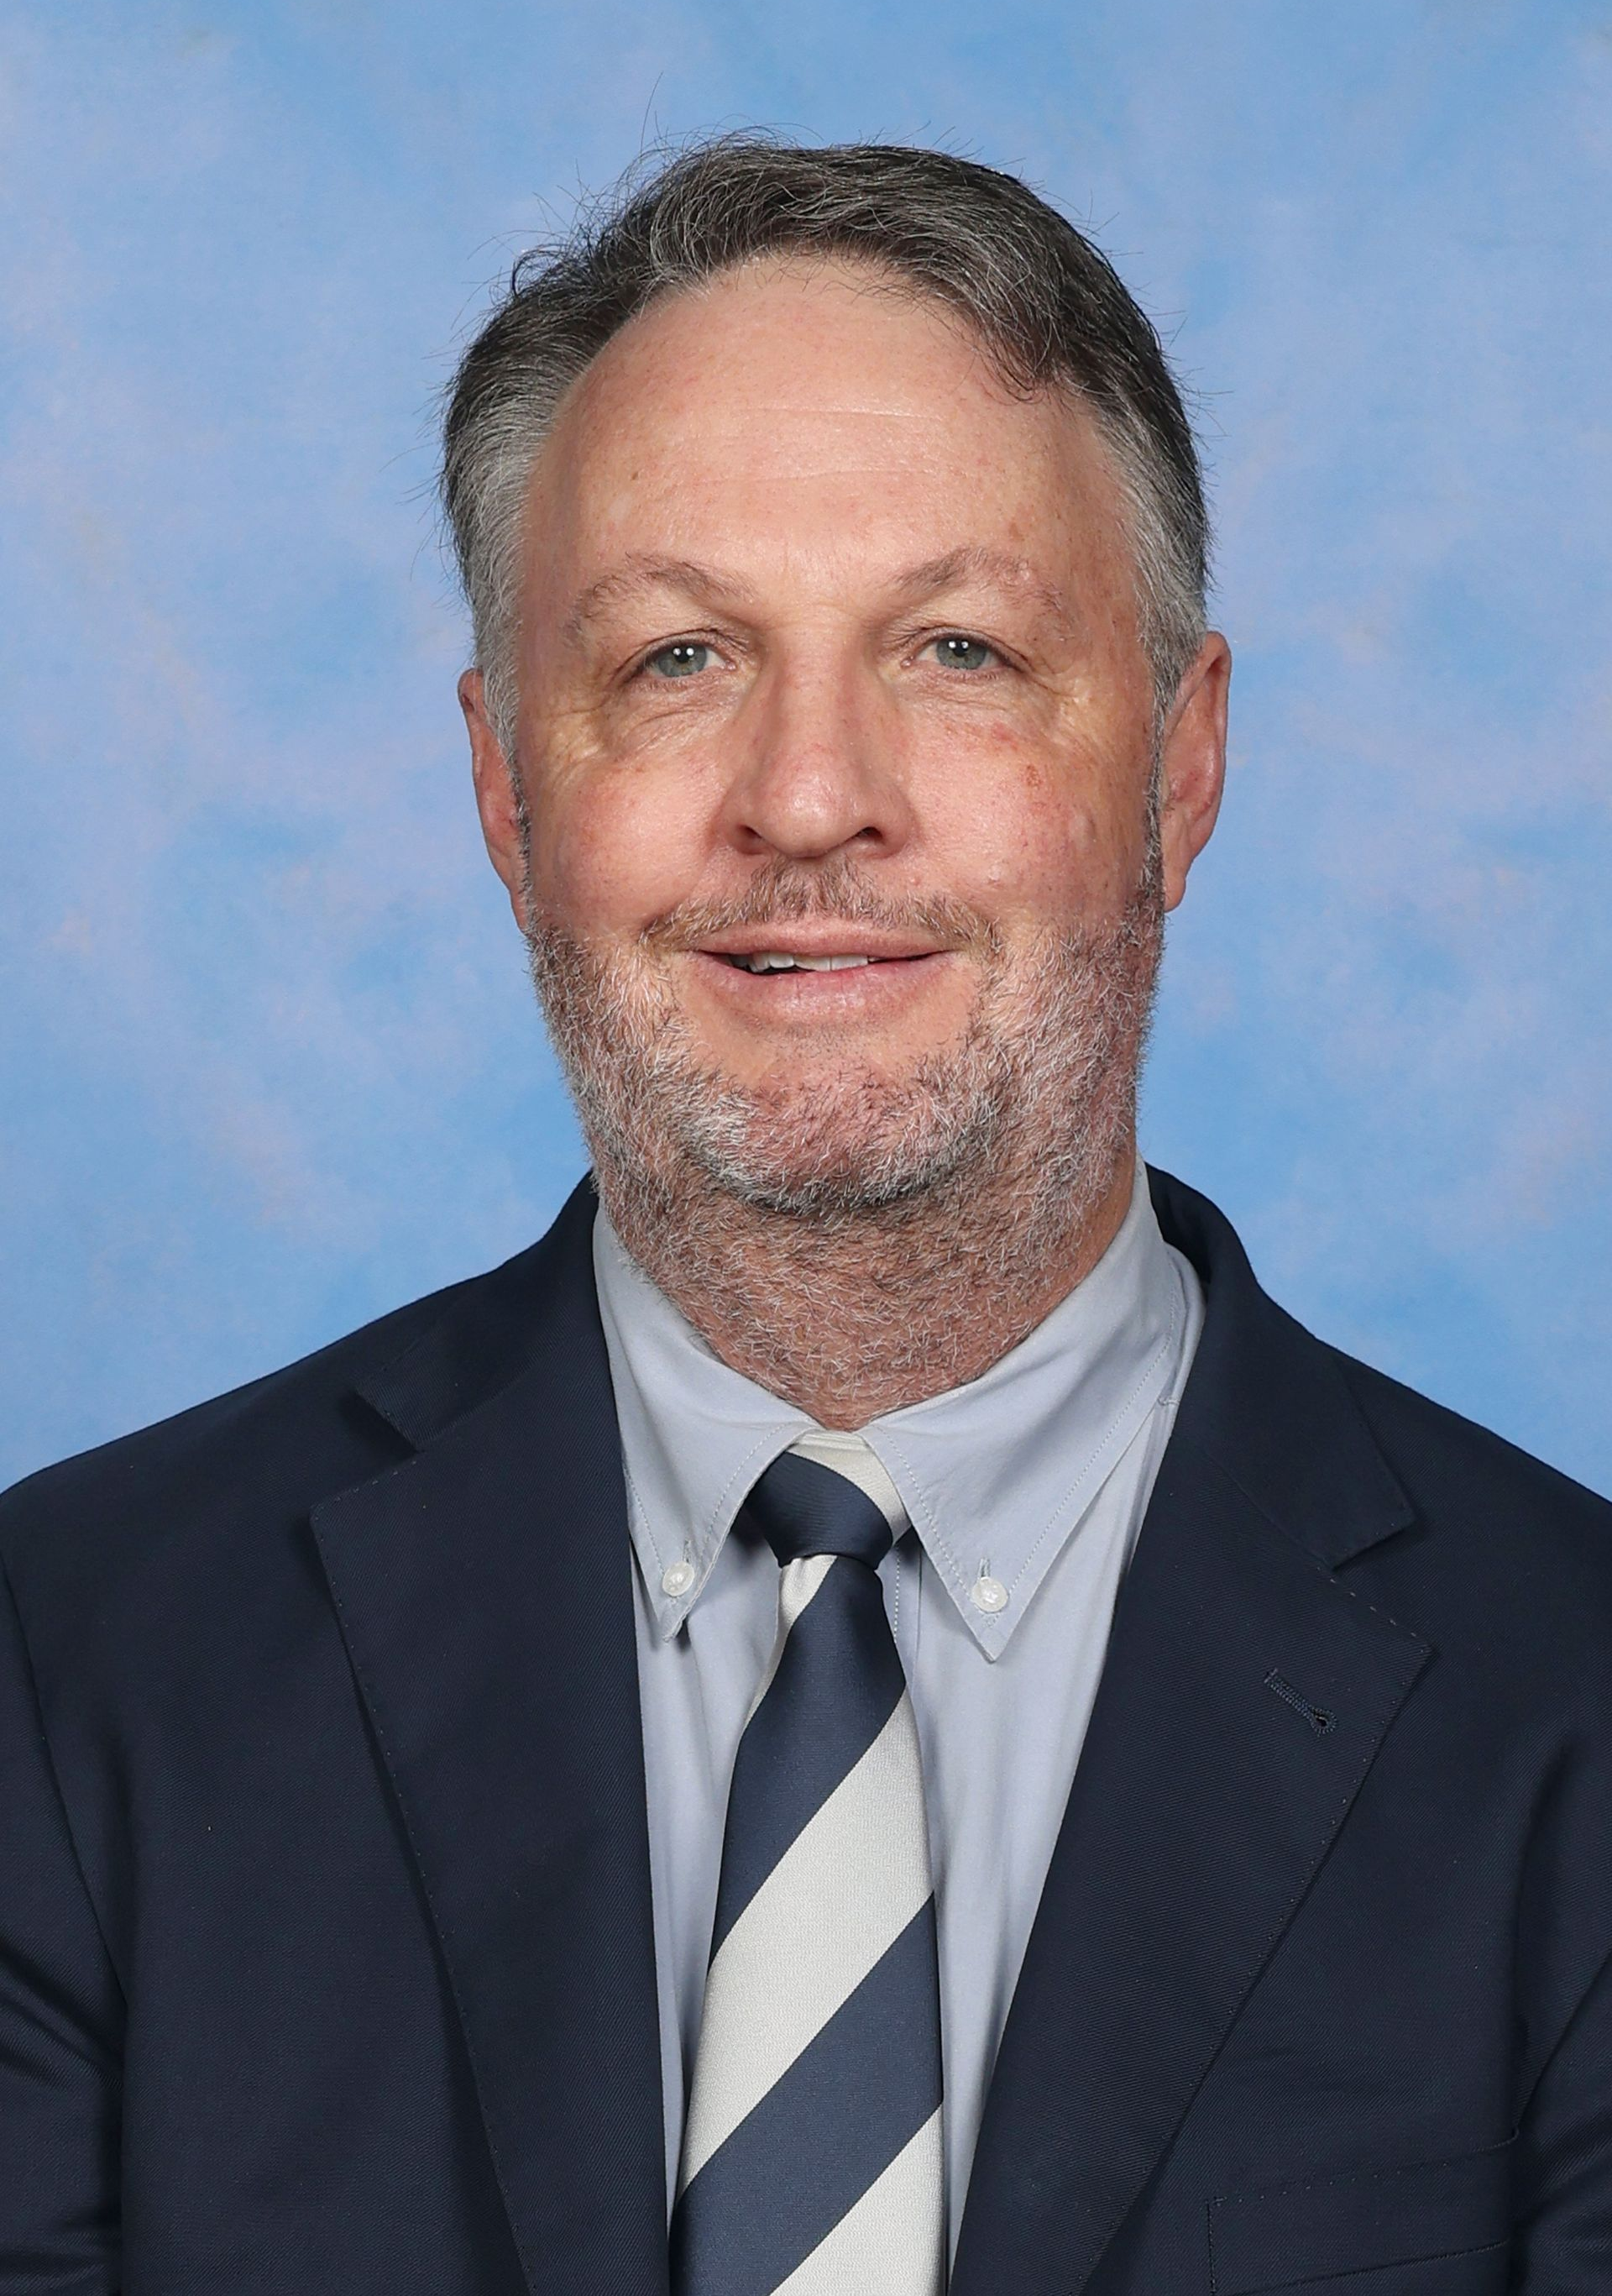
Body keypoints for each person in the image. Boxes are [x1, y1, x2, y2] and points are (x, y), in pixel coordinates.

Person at [3, 135, 1609, 2296]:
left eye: (956, 645)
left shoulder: (1576, 1708)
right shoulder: (72, 1671)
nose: (806, 793)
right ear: (504, 784)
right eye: (677, 660)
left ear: (1181, 765)